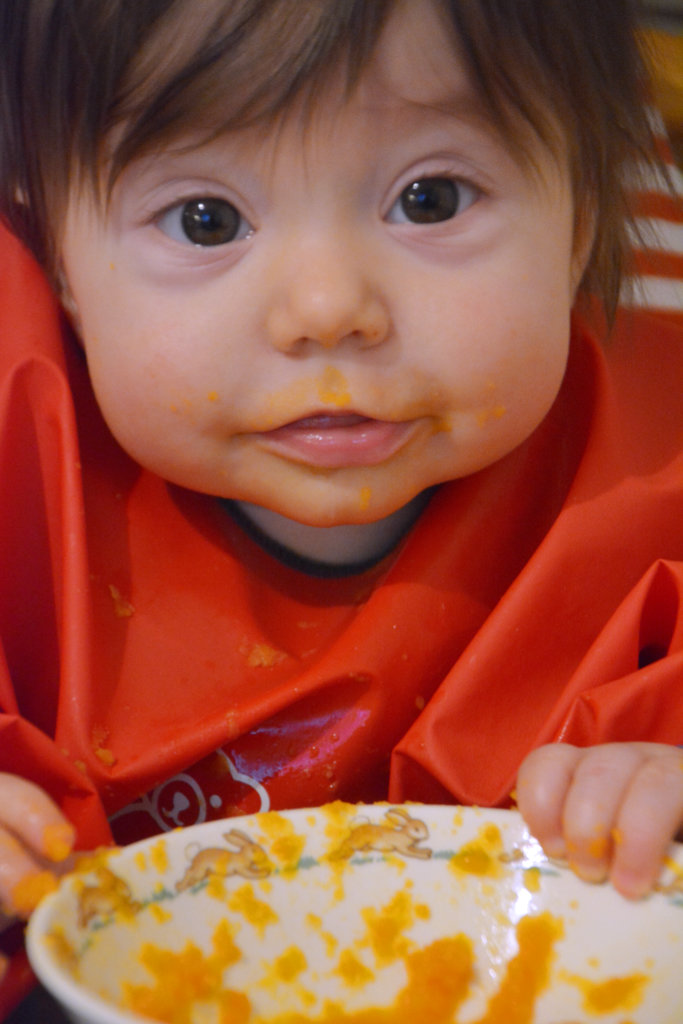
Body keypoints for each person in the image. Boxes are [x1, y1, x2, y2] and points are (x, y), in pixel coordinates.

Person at [0, 0, 681, 1013]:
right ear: (55, 251)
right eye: (207, 220)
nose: (326, 309)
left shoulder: (652, 467)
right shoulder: (24, 456)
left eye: (431, 197)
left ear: (582, 210)